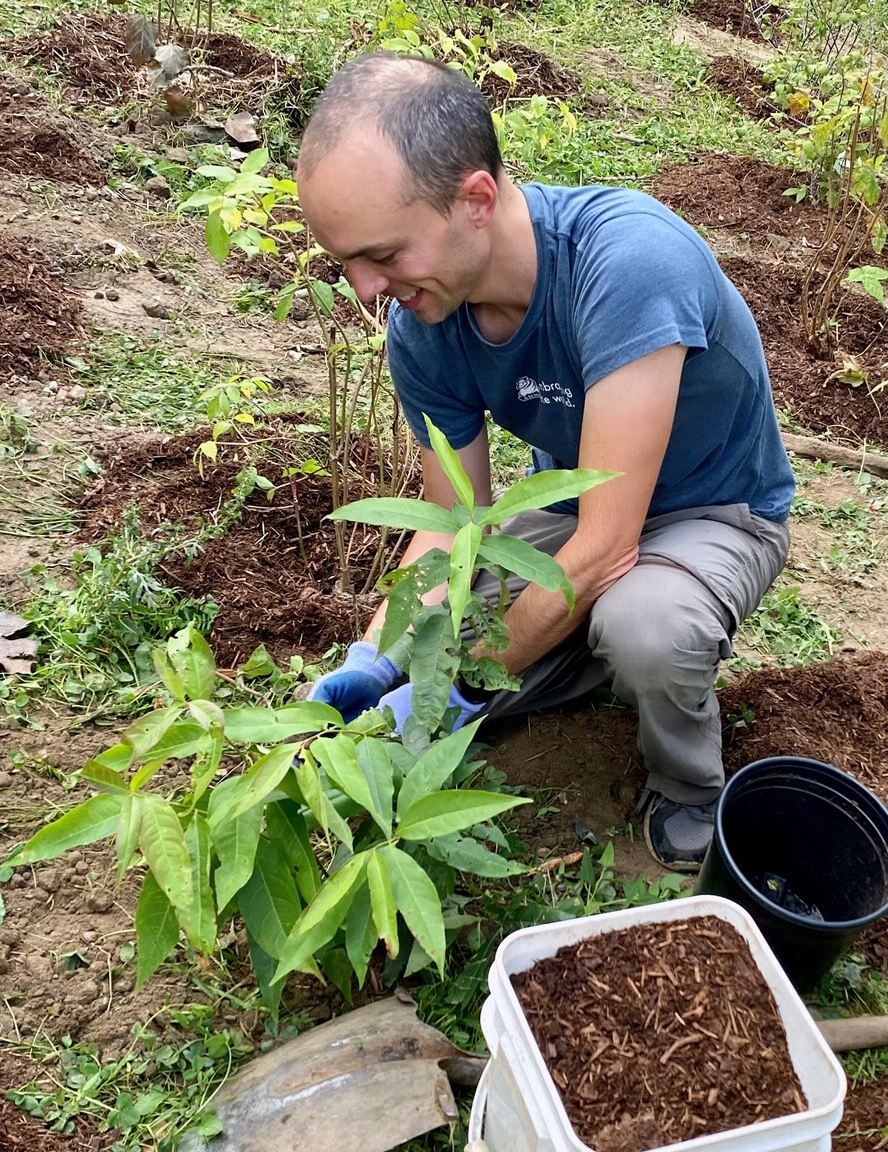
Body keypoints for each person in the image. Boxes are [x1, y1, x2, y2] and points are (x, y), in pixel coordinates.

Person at [293, 52, 794, 872]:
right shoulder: (426, 323)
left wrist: (463, 680)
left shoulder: (627, 265)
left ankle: (690, 787)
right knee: (446, 627)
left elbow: (604, 547)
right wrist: (377, 656)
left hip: (715, 512)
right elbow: (450, 525)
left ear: (476, 200)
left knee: (644, 627)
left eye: (382, 255)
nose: (364, 289)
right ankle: (573, 652)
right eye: (345, 260)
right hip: (581, 509)